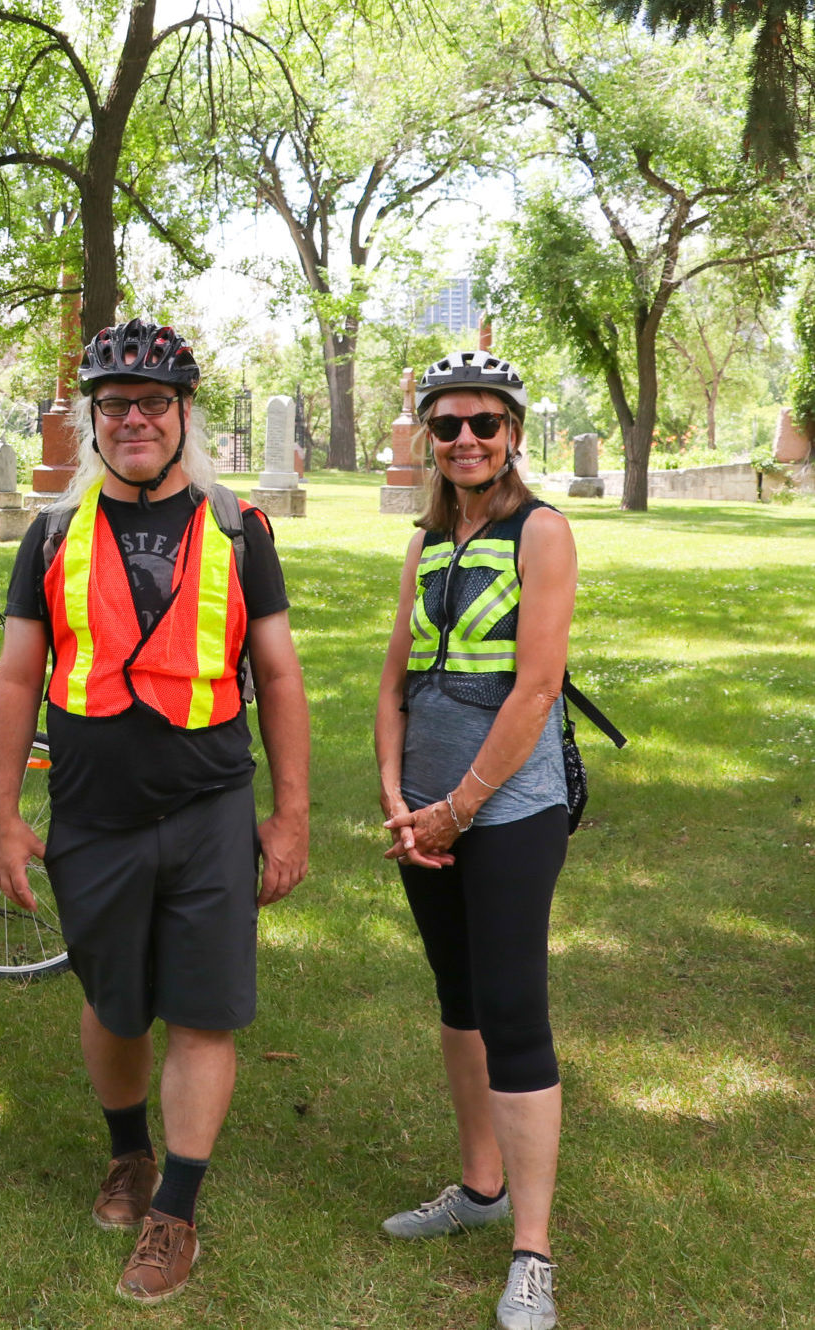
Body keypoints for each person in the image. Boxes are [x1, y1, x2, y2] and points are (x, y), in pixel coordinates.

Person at [0, 319, 310, 1302]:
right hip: (93, 811)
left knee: (204, 1010)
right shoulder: (51, 533)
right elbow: (13, 680)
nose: (134, 419)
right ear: (93, 418)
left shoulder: (240, 527)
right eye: (115, 403)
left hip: (210, 803)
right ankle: (129, 1152)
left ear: (184, 415)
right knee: (112, 1002)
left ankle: (177, 1210)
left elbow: (280, 676)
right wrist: (3, 817)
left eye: (153, 402)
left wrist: (289, 814)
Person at [374, 353, 574, 1330]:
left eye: (484, 425)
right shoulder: (425, 542)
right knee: (458, 1003)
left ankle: (531, 1250)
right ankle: (479, 1187)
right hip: (424, 812)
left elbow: (536, 688)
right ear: (425, 436)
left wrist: (458, 804)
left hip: (506, 810)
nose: (465, 441)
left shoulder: (543, 531)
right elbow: (393, 681)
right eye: (446, 425)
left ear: (513, 434)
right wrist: (395, 792)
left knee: (512, 1009)